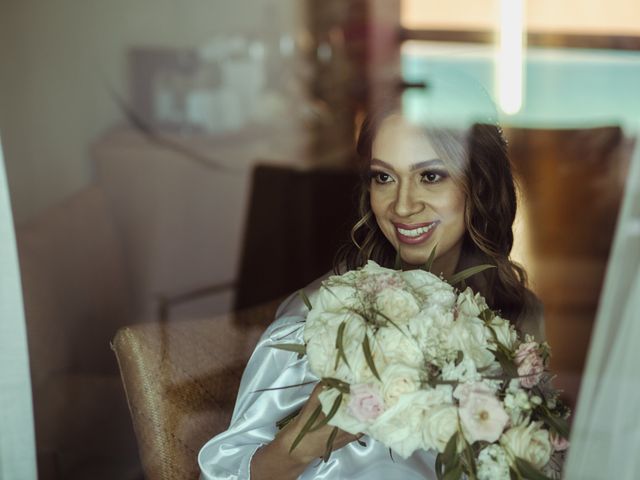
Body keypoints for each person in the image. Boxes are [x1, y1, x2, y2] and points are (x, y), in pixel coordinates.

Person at [198, 98, 545, 480]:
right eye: (384, 177)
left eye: (430, 176)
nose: (402, 205)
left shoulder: (516, 312)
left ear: (480, 183)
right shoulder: (323, 318)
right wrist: (300, 445)